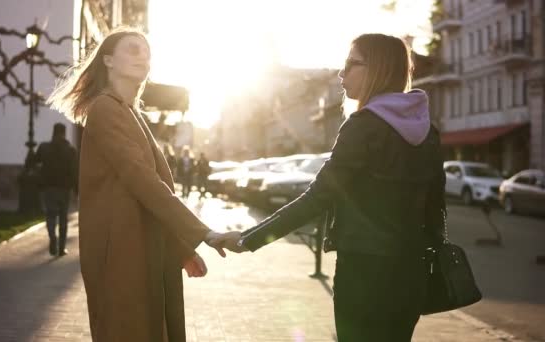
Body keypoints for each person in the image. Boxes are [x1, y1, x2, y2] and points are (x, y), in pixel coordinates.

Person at [214, 33, 446, 341]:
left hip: (364, 274)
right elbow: (436, 211)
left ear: (377, 69)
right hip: (411, 275)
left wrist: (247, 239)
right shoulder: (427, 131)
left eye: (352, 63)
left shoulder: (363, 126)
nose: (341, 73)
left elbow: (317, 198)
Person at [47, 27, 231, 342]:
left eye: (146, 51)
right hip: (120, 254)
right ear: (108, 60)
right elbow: (142, 180)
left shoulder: (129, 111)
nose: (142, 55)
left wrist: (180, 249)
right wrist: (203, 232)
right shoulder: (105, 108)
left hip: (139, 249)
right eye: (132, 49)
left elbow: (147, 188)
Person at [35, 122, 78, 256]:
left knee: (50, 215)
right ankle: (61, 248)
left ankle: (52, 236)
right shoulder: (71, 150)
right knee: (63, 218)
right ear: (64, 133)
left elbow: (35, 161)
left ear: (53, 132)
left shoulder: (44, 147)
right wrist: (76, 190)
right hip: (65, 189)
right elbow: (74, 171)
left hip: (49, 188)